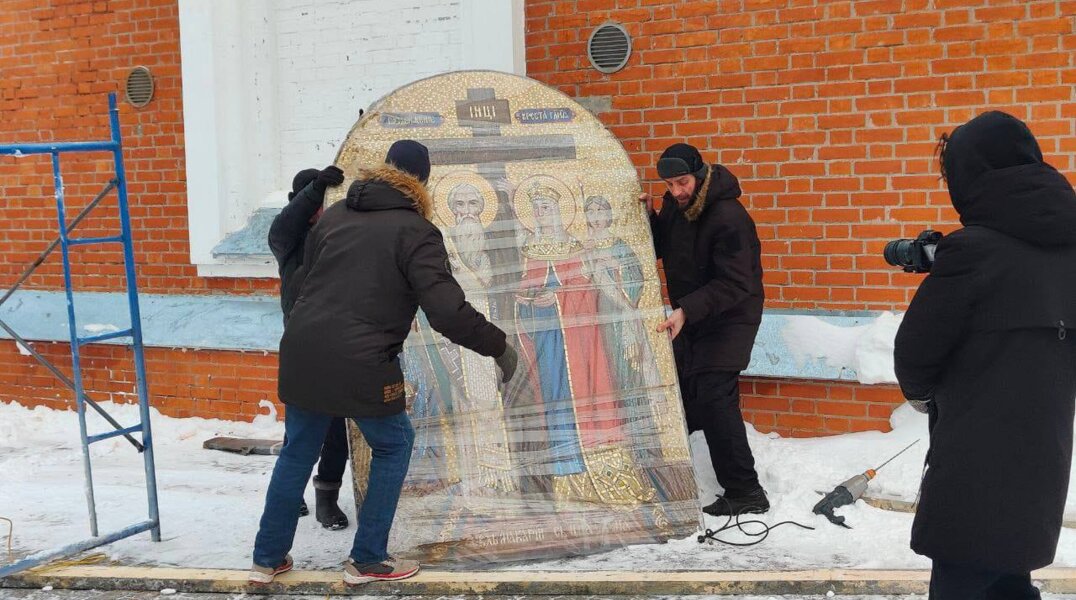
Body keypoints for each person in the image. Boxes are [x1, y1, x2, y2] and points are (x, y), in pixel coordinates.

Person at [250, 140, 517, 585]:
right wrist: (498, 347)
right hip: (364, 359)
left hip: (302, 350)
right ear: (422, 183)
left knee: (298, 451)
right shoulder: (416, 231)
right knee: (394, 445)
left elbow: (299, 286)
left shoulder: (335, 217)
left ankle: (266, 557)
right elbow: (447, 311)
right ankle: (369, 558)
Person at [894, 111, 1076, 599]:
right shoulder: (1069, 247)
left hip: (975, 465)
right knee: (1008, 580)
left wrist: (922, 397)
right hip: (1043, 458)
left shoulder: (973, 251)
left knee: (964, 581)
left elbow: (914, 353)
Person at [639, 143, 767, 516]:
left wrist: (685, 310)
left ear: (699, 174)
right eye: (669, 184)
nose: (676, 191)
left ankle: (746, 491)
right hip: (693, 316)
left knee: (716, 398)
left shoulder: (729, 216)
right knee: (685, 390)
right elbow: (663, 247)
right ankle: (675, 477)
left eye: (682, 182)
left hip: (730, 317)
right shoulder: (678, 208)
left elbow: (737, 282)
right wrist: (650, 219)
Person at [267, 165, 350, 531]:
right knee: (301, 431)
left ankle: (327, 498)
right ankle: (291, 493)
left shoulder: (340, 235)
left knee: (336, 429)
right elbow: (289, 220)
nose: (321, 212)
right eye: (315, 203)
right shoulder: (288, 240)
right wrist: (315, 189)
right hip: (302, 346)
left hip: (341, 344)